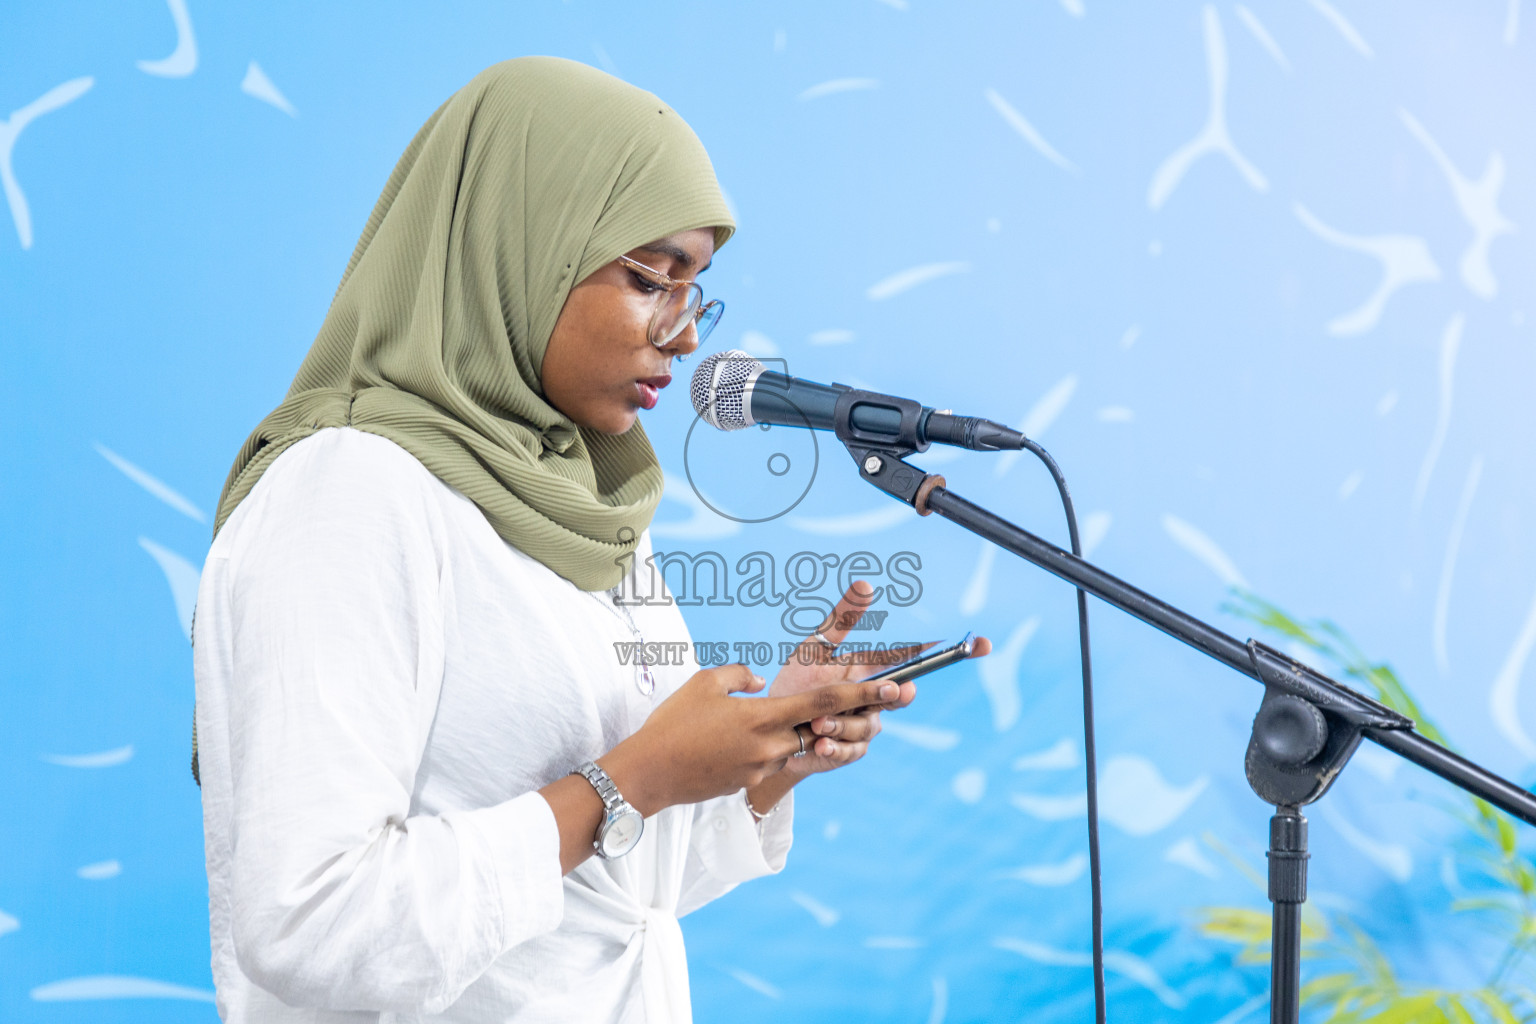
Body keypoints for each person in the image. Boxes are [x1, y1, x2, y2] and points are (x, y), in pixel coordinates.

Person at [191, 57, 987, 1023]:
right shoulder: (351, 493)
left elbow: (616, 900)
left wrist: (761, 758)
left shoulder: (589, 504)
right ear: (516, 245)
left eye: (698, 291)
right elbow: (309, 926)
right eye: (654, 277)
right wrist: (633, 778)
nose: (685, 334)